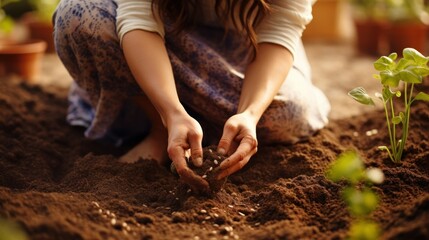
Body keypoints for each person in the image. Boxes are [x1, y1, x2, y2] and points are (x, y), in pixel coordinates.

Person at [53, 0, 330, 189]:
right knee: (80, 12)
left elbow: (278, 35)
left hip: (245, 49)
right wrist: (169, 112)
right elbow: (138, 17)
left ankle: (200, 130)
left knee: (289, 112)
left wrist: (250, 113)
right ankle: (161, 128)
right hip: (159, 39)